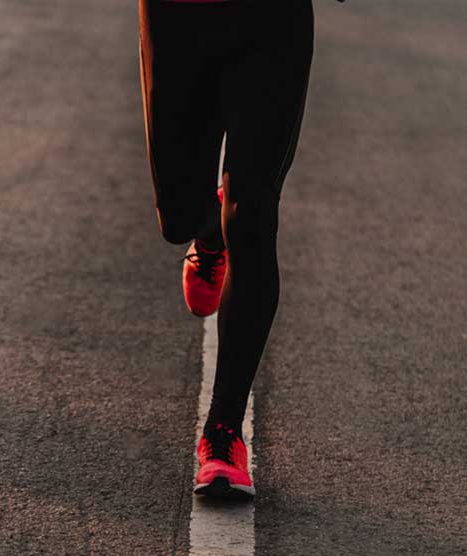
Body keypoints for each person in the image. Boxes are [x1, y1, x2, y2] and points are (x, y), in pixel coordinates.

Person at [139, 0, 342, 499]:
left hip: (272, 23)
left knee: (252, 215)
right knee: (178, 218)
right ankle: (207, 233)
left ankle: (223, 434)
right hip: (177, 20)